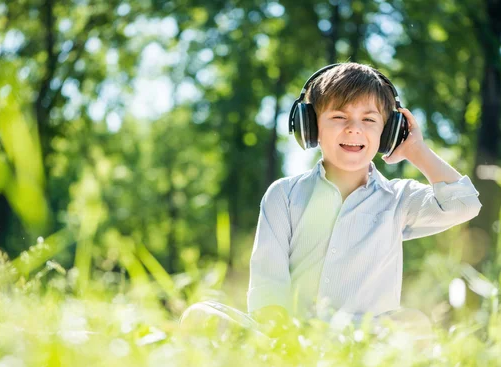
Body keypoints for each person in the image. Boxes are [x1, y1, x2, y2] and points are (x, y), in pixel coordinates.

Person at [180, 62, 482, 345]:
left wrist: (417, 150)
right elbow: (268, 284)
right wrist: (281, 339)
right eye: (339, 117)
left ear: (388, 132)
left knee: (413, 324)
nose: (354, 128)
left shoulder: (399, 199)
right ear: (310, 127)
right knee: (201, 316)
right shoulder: (283, 195)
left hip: (364, 340)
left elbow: (464, 205)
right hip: (291, 336)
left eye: (369, 119)